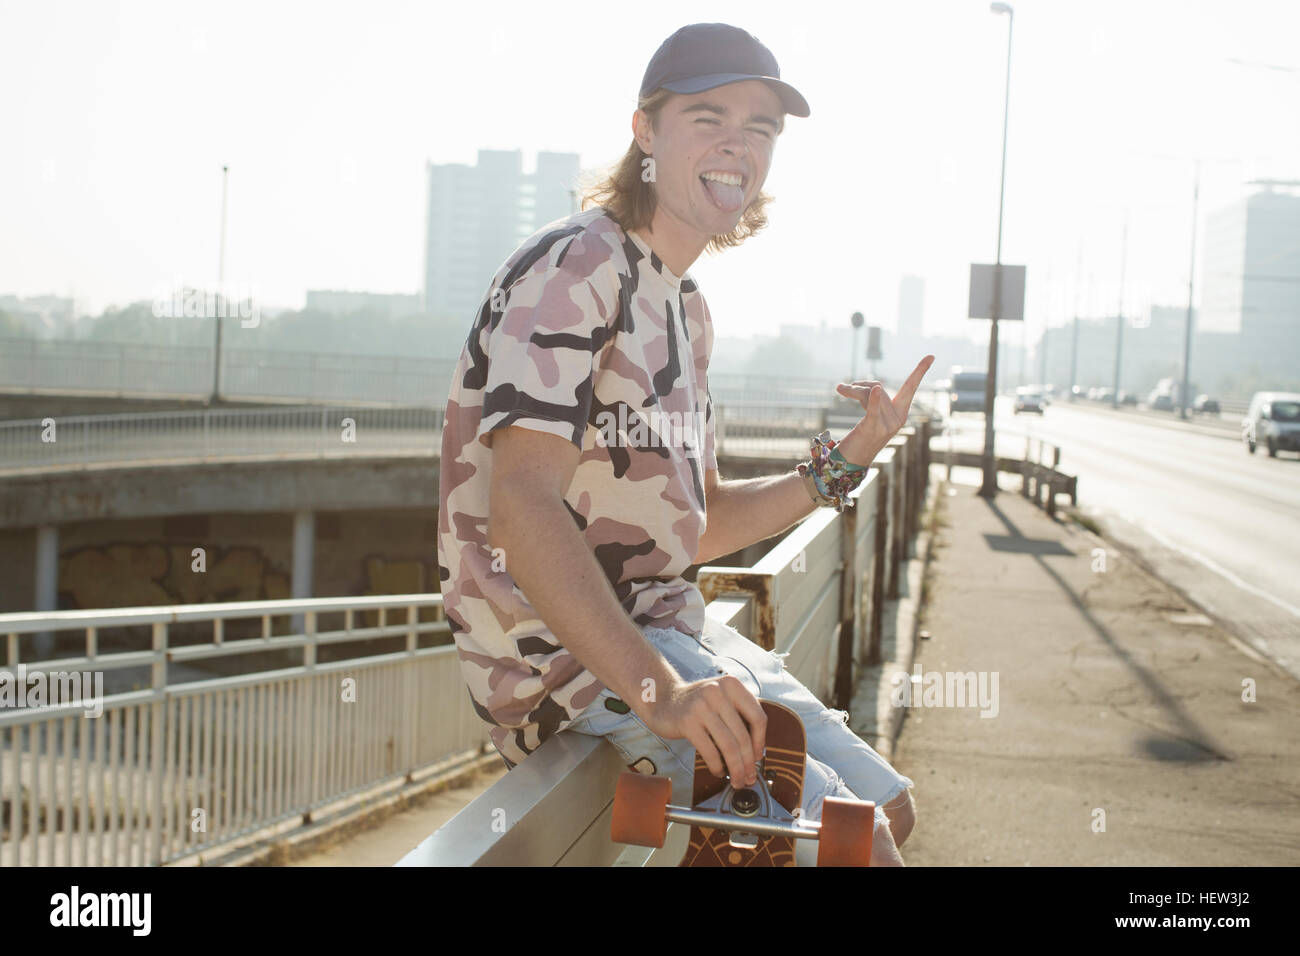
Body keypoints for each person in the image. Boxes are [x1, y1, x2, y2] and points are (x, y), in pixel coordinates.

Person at [437, 22, 934, 866]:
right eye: (709, 117)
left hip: (670, 637)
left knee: (892, 807)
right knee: (861, 849)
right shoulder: (576, 266)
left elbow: (691, 528)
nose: (738, 143)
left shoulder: (686, 308)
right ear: (645, 133)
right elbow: (520, 507)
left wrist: (842, 461)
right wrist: (658, 690)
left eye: (762, 127)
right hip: (563, 662)